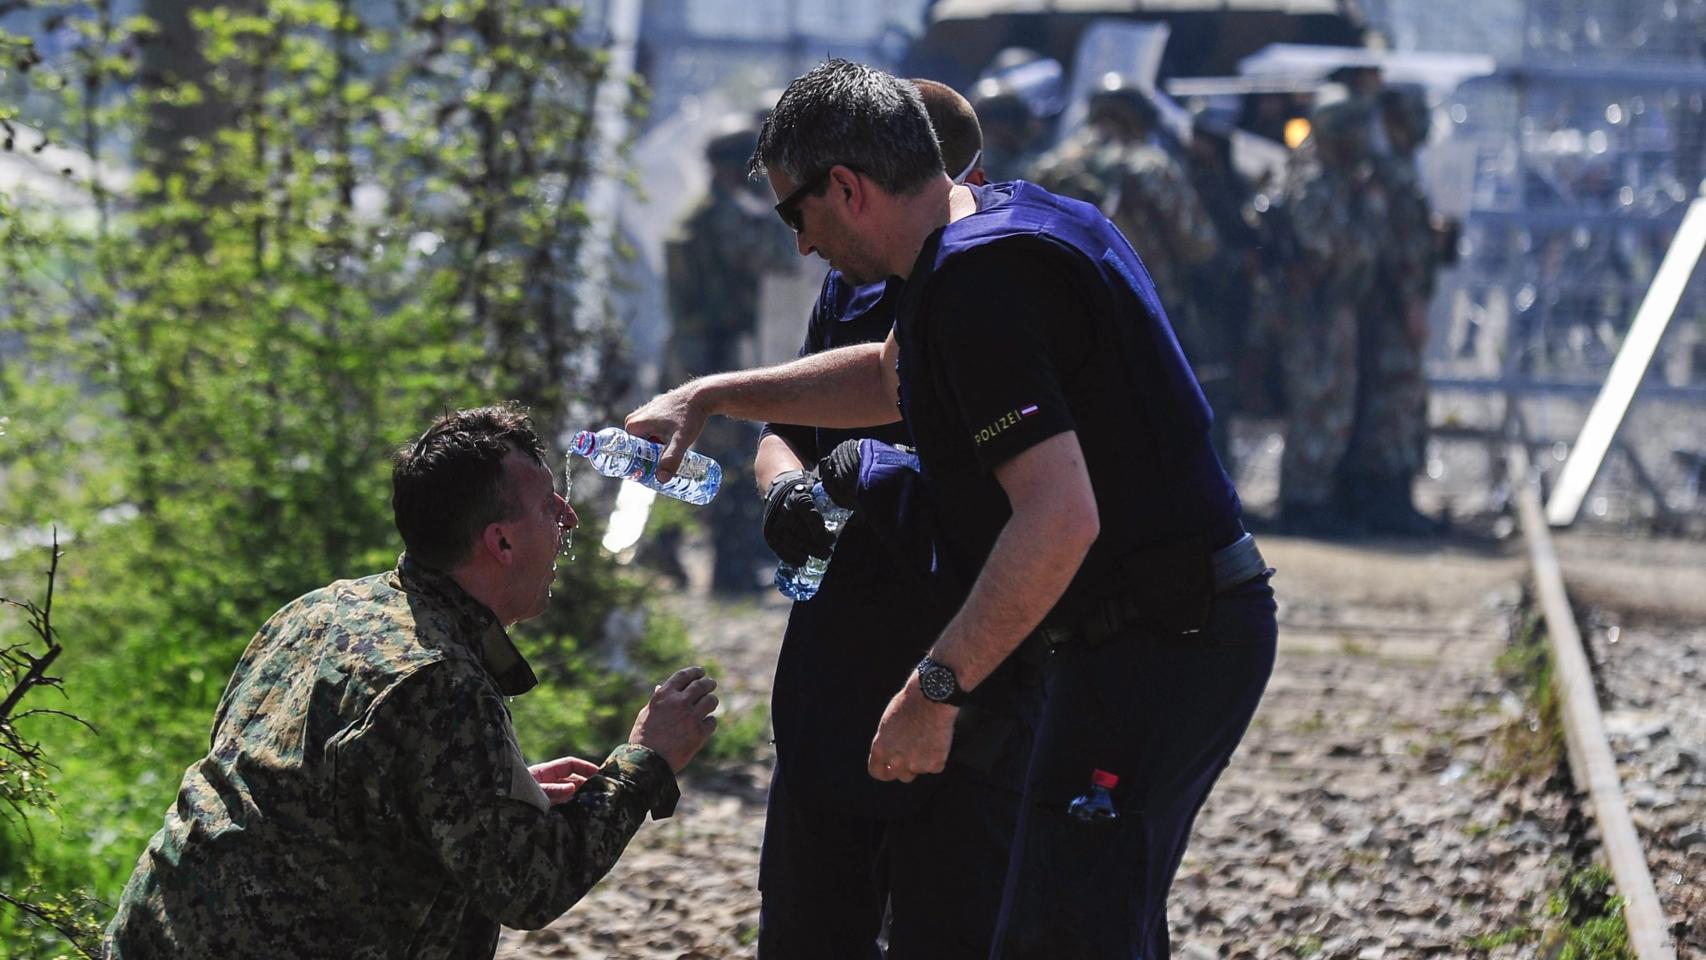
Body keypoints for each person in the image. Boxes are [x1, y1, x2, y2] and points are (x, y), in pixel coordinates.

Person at [626, 59, 1276, 959]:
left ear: (846, 187)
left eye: (794, 216)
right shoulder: (990, 227)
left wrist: (934, 689)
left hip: (1165, 638)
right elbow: (886, 376)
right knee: (1074, 921)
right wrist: (711, 396)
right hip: (1125, 638)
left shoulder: (982, 281)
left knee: (1068, 932)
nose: (802, 247)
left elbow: (1059, 519)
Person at [104, 404, 720, 959]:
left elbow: (292, 787)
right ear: (501, 541)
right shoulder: (442, 683)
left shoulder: (319, 610)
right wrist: (645, 761)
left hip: (151, 934)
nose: (569, 518)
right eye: (547, 506)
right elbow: (529, 886)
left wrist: (483, 793)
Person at [753, 78, 1032, 959]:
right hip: (839, 645)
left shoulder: (997, 275)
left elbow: (1033, 493)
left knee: (953, 917)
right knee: (810, 916)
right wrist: (787, 492)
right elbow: (785, 431)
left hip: (959, 635)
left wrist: (877, 475)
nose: (812, 243)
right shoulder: (853, 282)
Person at [662, 121, 798, 591]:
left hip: (694, 345)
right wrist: (767, 209)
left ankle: (668, 547)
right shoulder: (728, 217)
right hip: (715, 348)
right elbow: (781, 258)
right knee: (729, 455)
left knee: (692, 448)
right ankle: (729, 566)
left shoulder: (699, 214)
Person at [1270, 97, 1381, 536]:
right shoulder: (1313, 180)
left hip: (1332, 304)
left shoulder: (1338, 178)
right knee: (1316, 403)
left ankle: (1317, 497)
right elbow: (1323, 245)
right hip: (1312, 309)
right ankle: (1303, 502)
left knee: (1333, 403)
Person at [1338, 84, 1445, 535]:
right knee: (1393, 400)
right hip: (1390, 308)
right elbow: (1394, 250)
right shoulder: (1388, 174)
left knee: (1401, 399)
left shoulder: (1399, 170)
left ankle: (1393, 497)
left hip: (1394, 305)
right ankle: (1386, 501)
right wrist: (1410, 303)